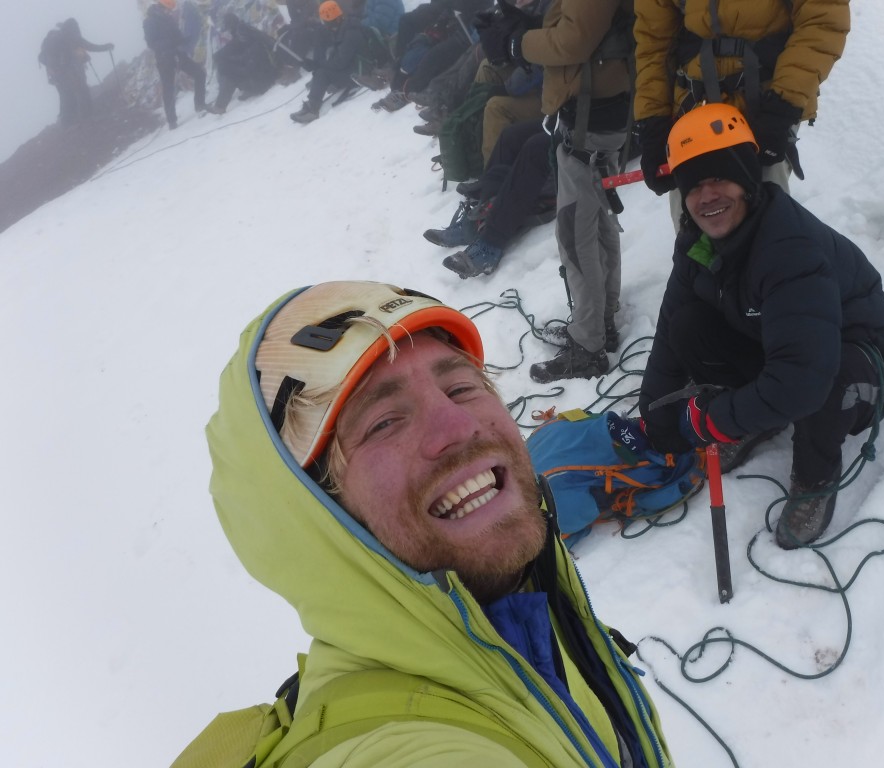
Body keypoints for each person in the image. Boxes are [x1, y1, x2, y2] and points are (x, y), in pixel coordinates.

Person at [205, 280, 674, 766]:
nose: (459, 426)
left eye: (461, 387)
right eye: (383, 421)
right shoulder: (399, 751)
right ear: (318, 517)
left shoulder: (526, 605)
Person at [638, 103, 884, 549]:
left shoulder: (789, 246)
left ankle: (815, 478)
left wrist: (713, 421)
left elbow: (802, 380)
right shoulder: (697, 243)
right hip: (788, 343)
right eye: (694, 186)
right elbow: (670, 335)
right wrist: (654, 418)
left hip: (866, 358)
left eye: (719, 178)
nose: (707, 196)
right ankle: (755, 419)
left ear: (747, 181)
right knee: (691, 325)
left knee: (823, 381)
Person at [476, 0, 633, 383]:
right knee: (594, 224)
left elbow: (573, 40)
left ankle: (589, 345)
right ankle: (600, 320)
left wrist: (517, 44)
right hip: (594, 114)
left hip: (589, 121)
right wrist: (528, 24)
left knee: (576, 235)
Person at [633, 0, 850, 228]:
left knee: (768, 234)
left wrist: (781, 107)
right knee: (695, 239)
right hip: (692, 114)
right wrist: (653, 122)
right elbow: (653, 40)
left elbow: (822, 19)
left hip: (762, 110)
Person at [424, 118, 555, 278]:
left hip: (588, 129)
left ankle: (492, 241)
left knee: (538, 147)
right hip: (571, 118)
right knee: (511, 136)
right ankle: (479, 217)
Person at [289, 1, 380, 123]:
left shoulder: (350, 33)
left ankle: (312, 109)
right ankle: (312, 103)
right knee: (322, 70)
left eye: (326, 22)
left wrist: (319, 65)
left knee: (322, 73)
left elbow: (340, 63)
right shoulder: (345, 27)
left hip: (362, 73)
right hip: (357, 67)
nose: (326, 26)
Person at [143, 0, 209, 129]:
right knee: (168, 88)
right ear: (161, 8)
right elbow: (151, 43)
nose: (169, 12)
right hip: (164, 59)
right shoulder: (149, 22)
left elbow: (176, 36)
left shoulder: (168, 18)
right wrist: (169, 45)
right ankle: (171, 121)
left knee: (199, 73)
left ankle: (200, 105)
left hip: (178, 54)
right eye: (168, 10)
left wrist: (185, 39)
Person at [38, 18, 114, 127]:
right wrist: (107, 47)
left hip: (55, 73)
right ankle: (87, 117)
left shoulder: (59, 37)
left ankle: (68, 123)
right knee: (83, 90)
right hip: (67, 71)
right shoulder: (71, 36)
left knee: (66, 95)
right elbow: (90, 46)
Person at [207, 12, 281, 113]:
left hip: (262, 81)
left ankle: (220, 106)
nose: (228, 31)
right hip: (260, 76)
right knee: (226, 66)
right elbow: (233, 48)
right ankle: (221, 104)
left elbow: (246, 61)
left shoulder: (244, 35)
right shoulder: (244, 31)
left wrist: (227, 61)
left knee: (227, 70)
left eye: (228, 27)